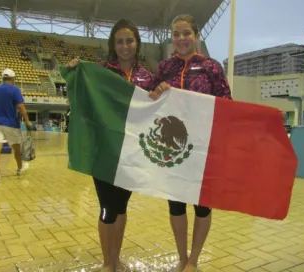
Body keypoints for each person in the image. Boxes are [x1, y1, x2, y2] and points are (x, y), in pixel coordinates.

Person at [65, 19, 155, 272]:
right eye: (120, 41)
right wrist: (75, 71)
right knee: (107, 207)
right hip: (105, 152)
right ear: (112, 45)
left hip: (132, 154)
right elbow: (83, 97)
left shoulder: (147, 77)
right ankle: (107, 262)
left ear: (137, 43)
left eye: (130, 40)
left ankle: (117, 257)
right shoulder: (101, 72)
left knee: (122, 205)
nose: (125, 46)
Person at [149, 14, 232, 272]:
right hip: (173, 149)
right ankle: (181, 258)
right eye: (177, 34)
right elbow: (150, 101)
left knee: (202, 205)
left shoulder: (212, 67)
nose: (182, 39)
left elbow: (227, 103)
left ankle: (194, 259)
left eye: (187, 33)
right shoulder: (164, 68)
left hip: (203, 148)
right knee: (175, 204)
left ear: (196, 36)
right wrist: (157, 92)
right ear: (172, 38)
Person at [0, 68, 32, 185]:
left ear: (3, 78)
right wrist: (27, 121)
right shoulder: (14, 90)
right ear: (13, 79)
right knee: (16, 148)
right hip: (11, 123)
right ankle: (19, 168)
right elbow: (21, 107)